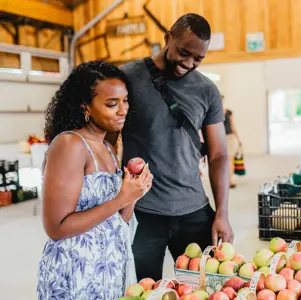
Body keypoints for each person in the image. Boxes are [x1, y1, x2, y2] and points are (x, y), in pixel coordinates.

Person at [119, 13, 234, 281]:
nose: (188, 63)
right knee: (146, 289)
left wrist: (222, 214)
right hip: (142, 213)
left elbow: (218, 155)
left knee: (200, 288)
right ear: (168, 37)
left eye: (198, 59)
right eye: (183, 52)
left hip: (194, 211)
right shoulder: (128, 78)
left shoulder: (206, 90)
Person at [37, 61, 153, 299]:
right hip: (76, 273)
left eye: (125, 101)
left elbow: (120, 220)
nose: (123, 110)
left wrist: (133, 194)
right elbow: (56, 228)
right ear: (85, 107)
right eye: (112, 104)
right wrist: (122, 198)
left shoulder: (108, 148)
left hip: (106, 271)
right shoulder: (70, 144)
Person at [222, 95, 241, 188]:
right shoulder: (227, 112)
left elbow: (233, 127)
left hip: (227, 138)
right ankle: (228, 181)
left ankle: (228, 181)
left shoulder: (227, 112)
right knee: (227, 160)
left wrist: (238, 139)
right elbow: (233, 127)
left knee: (227, 160)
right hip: (223, 138)